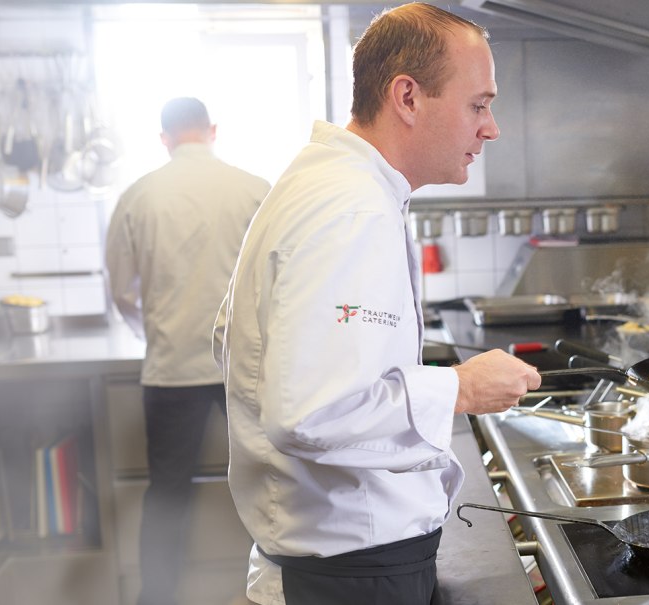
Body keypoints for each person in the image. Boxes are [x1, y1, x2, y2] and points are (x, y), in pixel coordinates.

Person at [211, 4, 541, 604]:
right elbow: (310, 413)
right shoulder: (350, 208)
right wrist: (459, 388)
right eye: (479, 104)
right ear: (408, 98)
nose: (491, 128)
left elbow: (247, 348)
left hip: (341, 560)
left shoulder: (334, 186)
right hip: (347, 573)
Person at [106, 97, 271, 605]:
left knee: (167, 492)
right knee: (270, 484)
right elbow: (279, 279)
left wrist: (155, 330)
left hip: (171, 367)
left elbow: (121, 290)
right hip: (242, 369)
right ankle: (274, 591)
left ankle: (157, 597)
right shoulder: (255, 189)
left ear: (164, 138)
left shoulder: (139, 194)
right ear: (212, 130)